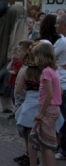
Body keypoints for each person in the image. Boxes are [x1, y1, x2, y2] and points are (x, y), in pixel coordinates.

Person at [30, 41, 62, 166]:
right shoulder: (54, 71)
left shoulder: (47, 72)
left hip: (48, 108)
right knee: (44, 141)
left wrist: (41, 113)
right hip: (53, 107)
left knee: (48, 144)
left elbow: (49, 94)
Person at [54, 14, 66, 161]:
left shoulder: (62, 42)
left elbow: (48, 56)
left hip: (62, 84)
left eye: (58, 23)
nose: (56, 26)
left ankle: (63, 149)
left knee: (62, 119)